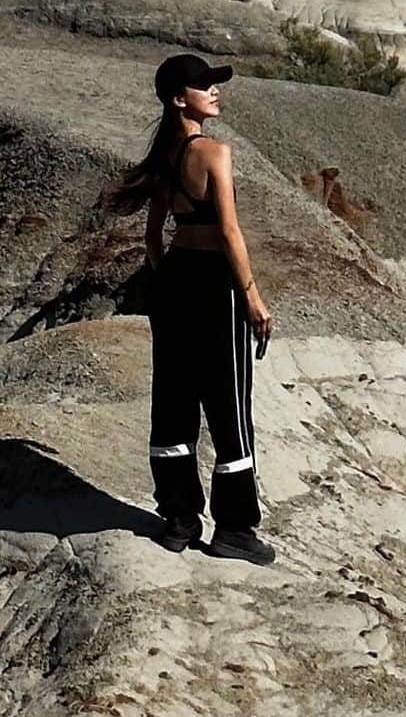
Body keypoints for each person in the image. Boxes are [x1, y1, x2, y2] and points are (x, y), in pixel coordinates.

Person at [103, 52, 276, 565]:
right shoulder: (214, 153)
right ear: (181, 98)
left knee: (174, 401)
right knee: (229, 407)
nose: (214, 92)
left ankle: (178, 518)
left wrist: (166, 282)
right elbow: (229, 231)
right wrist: (252, 297)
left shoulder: (165, 157)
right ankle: (235, 529)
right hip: (214, 284)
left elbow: (153, 236)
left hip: (175, 280)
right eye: (204, 85)